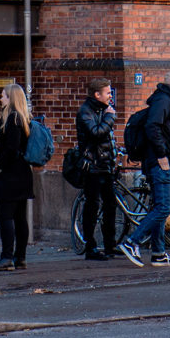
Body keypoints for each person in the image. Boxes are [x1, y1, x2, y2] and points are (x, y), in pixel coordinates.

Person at [116, 70, 170, 267]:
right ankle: (132, 242)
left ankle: (159, 253)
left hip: (157, 161)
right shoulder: (164, 101)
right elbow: (152, 127)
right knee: (164, 208)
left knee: (159, 207)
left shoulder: (162, 99)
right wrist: (162, 155)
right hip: (159, 163)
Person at [0, 82, 34, 271]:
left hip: (10, 176)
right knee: (20, 217)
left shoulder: (12, 119)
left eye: (3, 96)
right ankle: (19, 257)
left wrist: (0, 163)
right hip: (22, 174)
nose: (0, 99)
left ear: (11, 98)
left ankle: (7, 257)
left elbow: (11, 149)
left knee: (5, 215)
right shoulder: (23, 118)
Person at [75, 77, 118, 260]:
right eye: (108, 93)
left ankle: (110, 245)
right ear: (97, 94)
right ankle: (90, 247)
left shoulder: (101, 109)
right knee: (92, 207)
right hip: (92, 167)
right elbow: (96, 133)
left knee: (110, 206)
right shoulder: (86, 111)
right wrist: (109, 117)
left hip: (105, 166)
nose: (110, 96)